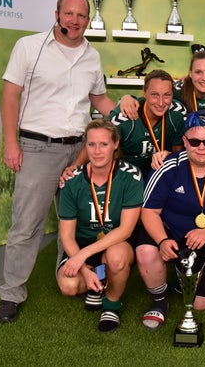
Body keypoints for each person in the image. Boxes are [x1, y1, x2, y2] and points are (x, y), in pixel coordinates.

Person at [0, 0, 121, 323]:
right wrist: (11, 143)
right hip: (37, 147)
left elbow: (99, 101)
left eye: (81, 15)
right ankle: (11, 295)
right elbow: (10, 97)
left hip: (79, 151)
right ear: (57, 15)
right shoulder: (29, 47)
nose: (75, 20)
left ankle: (73, 278)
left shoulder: (92, 56)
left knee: (76, 221)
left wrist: (127, 110)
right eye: (69, 14)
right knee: (26, 226)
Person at [137, 110, 205, 330]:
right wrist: (161, 241)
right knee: (146, 252)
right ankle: (159, 299)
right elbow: (149, 211)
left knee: (201, 304)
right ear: (185, 141)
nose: (201, 147)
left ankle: (191, 276)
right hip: (172, 234)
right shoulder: (168, 166)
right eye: (195, 141)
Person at [56, 120, 144, 332]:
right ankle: (97, 280)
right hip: (83, 243)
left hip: (117, 241)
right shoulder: (72, 181)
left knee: (115, 259)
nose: (97, 151)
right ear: (85, 146)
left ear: (115, 144)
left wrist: (80, 257)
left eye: (103, 144)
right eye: (91, 145)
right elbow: (67, 236)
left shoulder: (130, 176)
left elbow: (126, 230)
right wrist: (84, 271)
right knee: (69, 286)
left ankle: (111, 304)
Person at [106, 69, 185, 177]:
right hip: (126, 178)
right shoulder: (124, 117)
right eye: (154, 95)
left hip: (160, 176)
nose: (161, 102)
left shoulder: (178, 114)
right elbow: (99, 149)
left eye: (167, 95)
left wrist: (170, 155)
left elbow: (179, 156)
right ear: (144, 92)